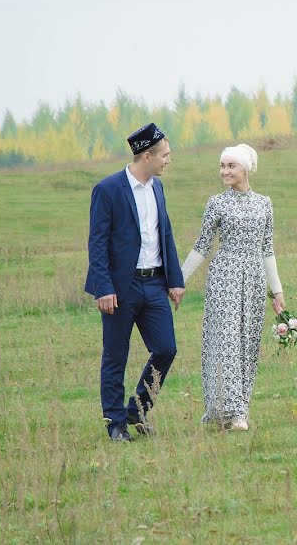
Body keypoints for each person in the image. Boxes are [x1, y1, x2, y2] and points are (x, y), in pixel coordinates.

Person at [85, 123, 186, 442]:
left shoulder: (157, 188)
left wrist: (175, 279)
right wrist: (103, 287)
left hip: (154, 284)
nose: (168, 160)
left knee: (166, 348)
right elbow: (97, 242)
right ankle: (115, 423)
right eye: (165, 155)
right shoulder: (108, 189)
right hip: (119, 288)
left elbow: (165, 234)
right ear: (146, 156)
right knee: (116, 353)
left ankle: (137, 411)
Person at [180, 143, 285, 431]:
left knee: (246, 344)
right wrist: (179, 280)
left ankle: (235, 408)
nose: (224, 171)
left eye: (231, 166)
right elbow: (202, 246)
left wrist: (277, 292)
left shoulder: (264, 203)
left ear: (245, 169)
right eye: (222, 166)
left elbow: (267, 249)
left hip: (253, 280)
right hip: (224, 278)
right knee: (224, 342)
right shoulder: (216, 203)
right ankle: (233, 413)